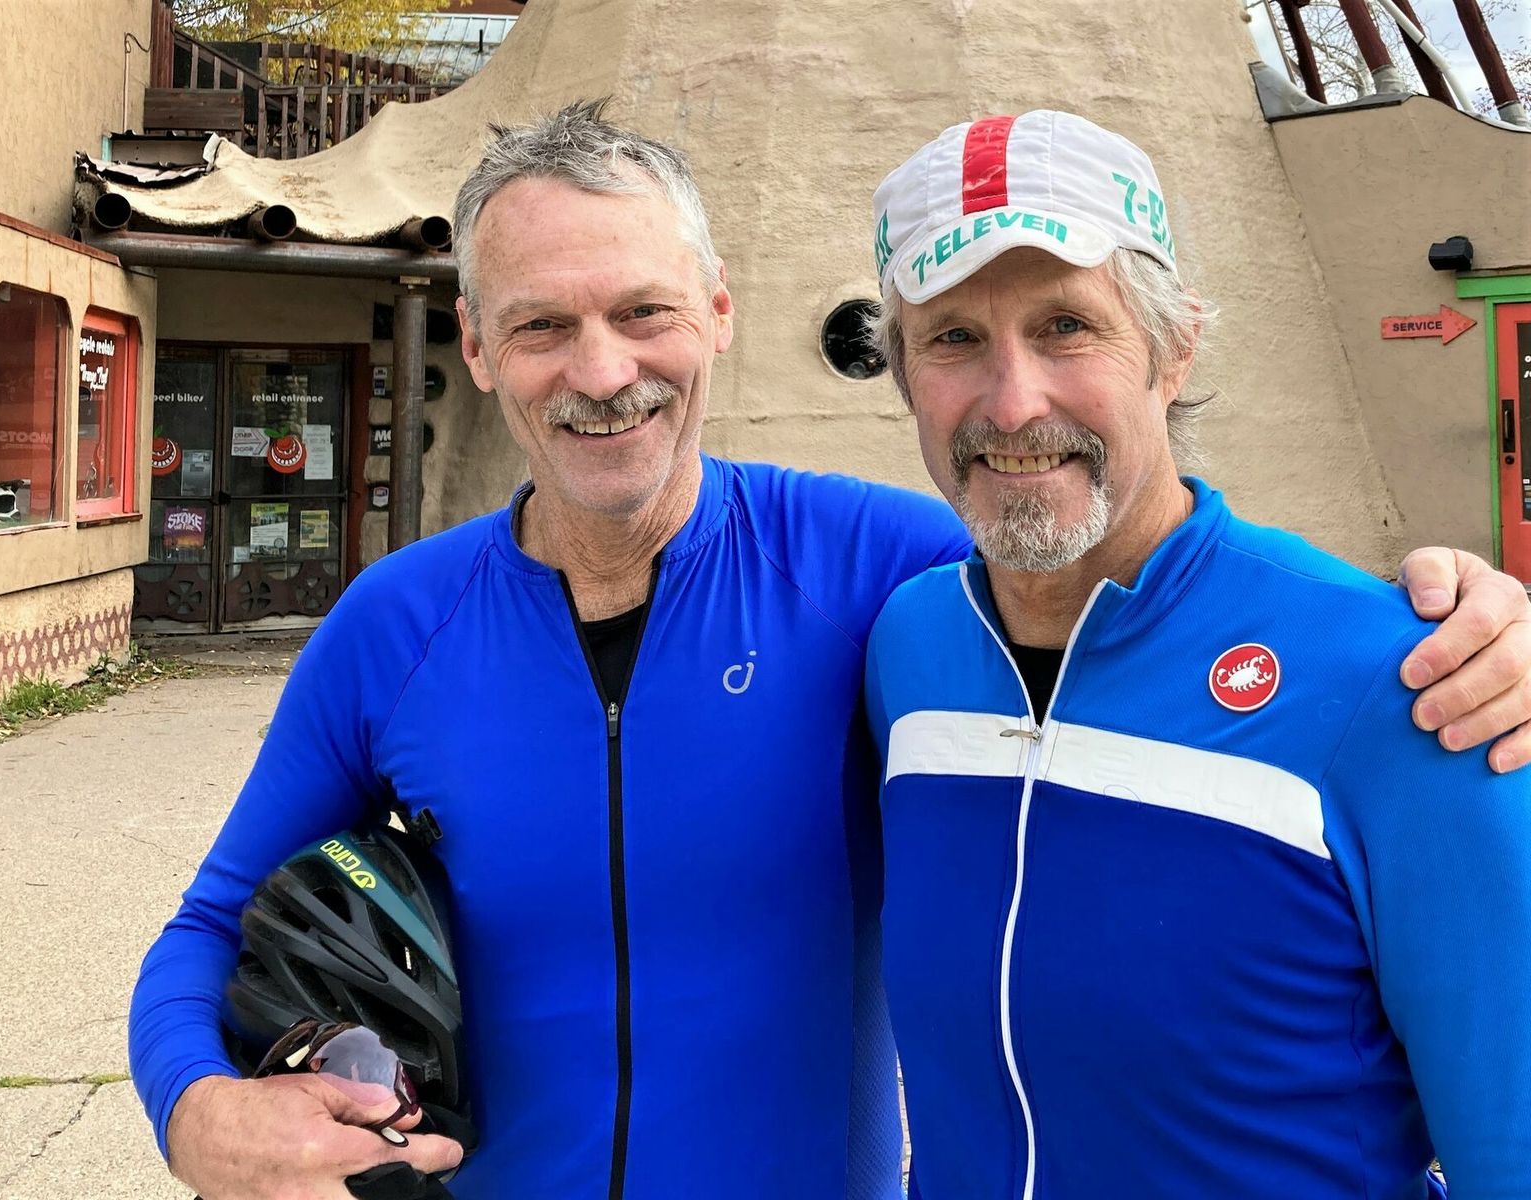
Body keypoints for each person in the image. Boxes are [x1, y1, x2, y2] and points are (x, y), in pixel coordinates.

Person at [130, 101, 1531, 1200]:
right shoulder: (398, 623)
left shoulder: (879, 575)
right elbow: (210, 924)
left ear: (718, 314)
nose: (602, 372)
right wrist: (196, 1109)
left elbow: (1122, 554)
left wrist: (1465, 624)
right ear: (480, 349)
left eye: (643, 311)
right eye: (543, 325)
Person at [863, 109, 1531, 1199]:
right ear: (902, 375)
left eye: (1067, 326)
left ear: (1172, 351)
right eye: (953, 339)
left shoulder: (1406, 678)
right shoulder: (906, 646)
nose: (1013, 402)